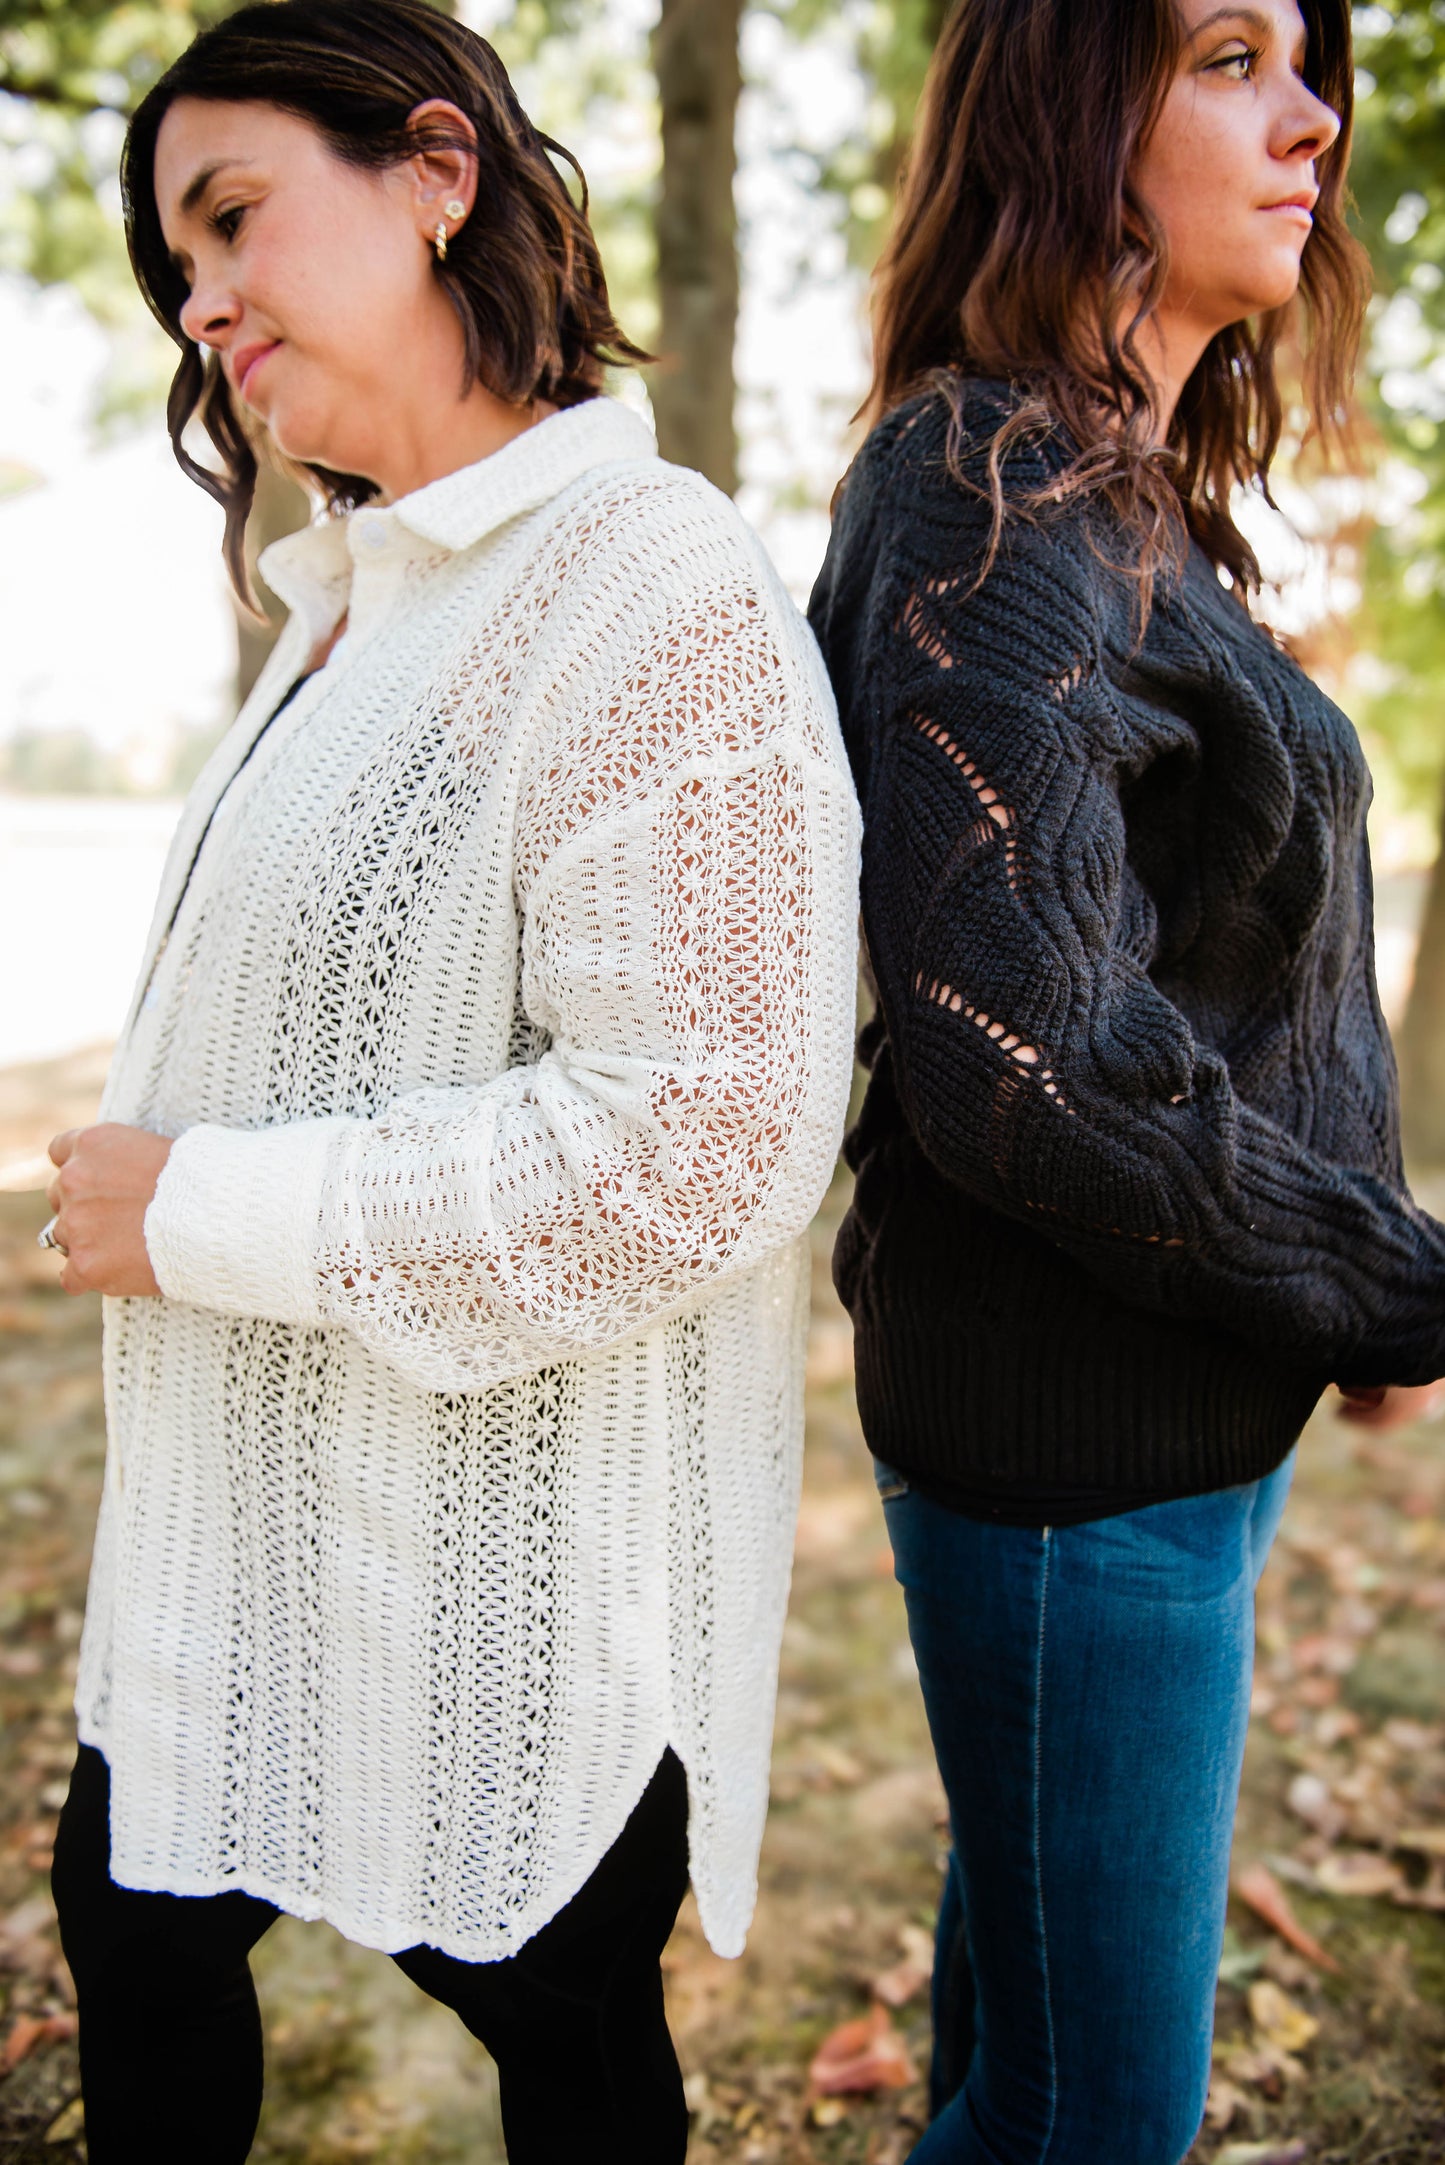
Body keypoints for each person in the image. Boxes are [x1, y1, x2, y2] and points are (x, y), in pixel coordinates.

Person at [40, 4, 860, 2158]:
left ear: (436, 172)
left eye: (233, 217)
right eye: (173, 261)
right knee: (126, 1945)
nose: (201, 296)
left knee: (568, 2054)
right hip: (232, 1530)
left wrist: (192, 1204)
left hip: (505, 1575)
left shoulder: (653, 580)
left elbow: (704, 1138)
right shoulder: (343, 604)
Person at [808, 1, 1445, 2158]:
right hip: (1069, 1441)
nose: (1313, 110)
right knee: (1102, 2121)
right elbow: (1028, 1052)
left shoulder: (1128, 502)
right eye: (1227, 53)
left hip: (1172, 1407)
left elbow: (1224, 968)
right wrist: (1385, 1280)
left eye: (1310, 55)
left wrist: (1334, 1288)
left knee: (1024, 2066)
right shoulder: (982, 487)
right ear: (1074, 113)